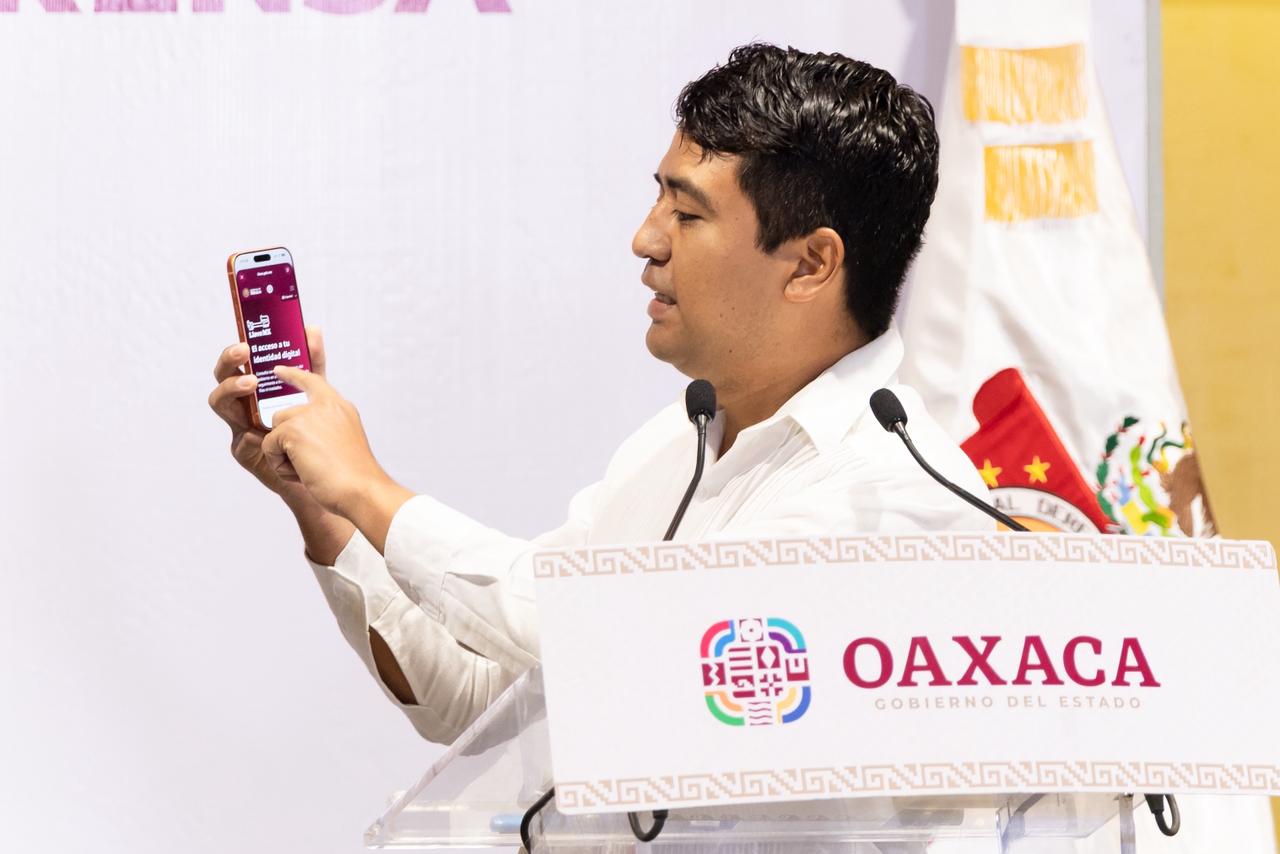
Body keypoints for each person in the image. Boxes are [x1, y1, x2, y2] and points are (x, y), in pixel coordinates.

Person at [207, 44, 991, 744]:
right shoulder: (677, 444)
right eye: (658, 201)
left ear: (810, 265)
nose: (646, 240)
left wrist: (371, 490)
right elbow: (478, 698)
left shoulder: (897, 497)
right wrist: (324, 505)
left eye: (687, 213)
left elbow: (624, 642)